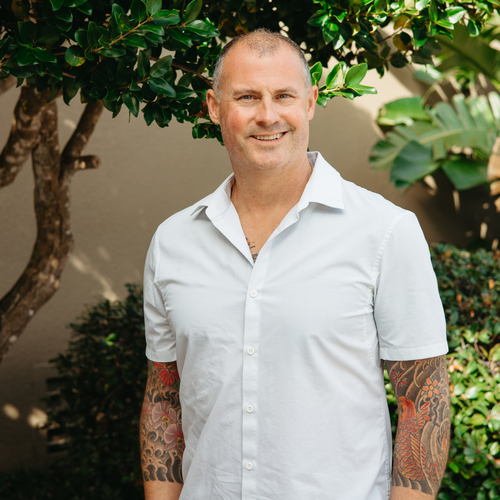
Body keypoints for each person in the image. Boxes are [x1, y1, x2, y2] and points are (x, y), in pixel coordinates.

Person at [140, 29, 450, 500]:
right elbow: (164, 399)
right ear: (214, 107)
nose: (268, 115)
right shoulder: (173, 242)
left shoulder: (385, 231)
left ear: (310, 102)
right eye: (247, 97)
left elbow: (423, 402)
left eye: (283, 95)